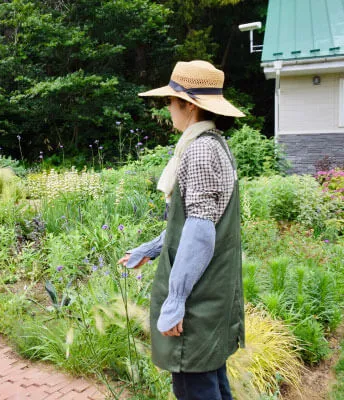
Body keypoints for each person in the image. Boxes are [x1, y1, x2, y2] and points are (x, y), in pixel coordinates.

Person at [117, 60, 245, 400]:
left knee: (194, 386)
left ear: (189, 104)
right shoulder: (210, 144)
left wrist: (175, 303)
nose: (167, 109)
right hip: (210, 294)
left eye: (170, 101)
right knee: (211, 379)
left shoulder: (200, 151)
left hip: (198, 301)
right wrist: (150, 249)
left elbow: (201, 232)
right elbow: (195, 221)